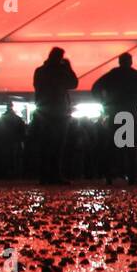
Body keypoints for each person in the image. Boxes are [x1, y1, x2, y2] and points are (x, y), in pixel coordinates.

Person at [90, 53, 137, 185]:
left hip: (115, 112)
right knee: (130, 147)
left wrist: (104, 102)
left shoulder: (112, 75)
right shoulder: (136, 76)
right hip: (129, 112)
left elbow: (95, 87)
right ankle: (132, 177)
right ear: (130, 62)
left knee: (112, 145)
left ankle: (109, 175)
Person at [32, 47, 78, 184]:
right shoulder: (61, 71)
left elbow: (37, 87)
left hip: (45, 112)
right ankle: (55, 174)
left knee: (46, 145)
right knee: (58, 145)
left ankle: (44, 175)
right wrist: (68, 67)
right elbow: (73, 83)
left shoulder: (40, 71)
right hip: (59, 112)